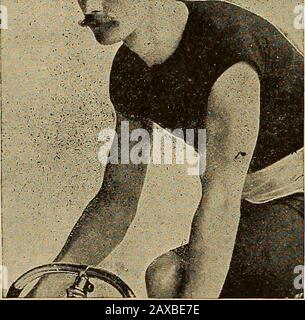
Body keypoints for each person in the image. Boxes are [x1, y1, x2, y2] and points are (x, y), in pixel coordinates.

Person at [29, 0, 304, 298]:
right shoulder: (128, 71)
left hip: (294, 192)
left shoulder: (227, 50)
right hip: (255, 201)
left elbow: (221, 200)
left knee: (168, 279)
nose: (91, 6)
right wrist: (45, 287)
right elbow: (117, 200)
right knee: (165, 276)